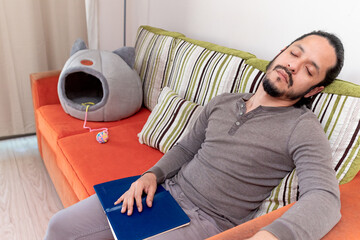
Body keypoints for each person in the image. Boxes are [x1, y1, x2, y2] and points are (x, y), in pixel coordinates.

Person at [44, 31, 344, 240]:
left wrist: (273, 234)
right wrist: (151, 175)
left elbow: (325, 198)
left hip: (207, 221)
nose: (293, 65)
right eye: (294, 53)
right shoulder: (224, 101)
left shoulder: (303, 127)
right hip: (162, 192)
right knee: (61, 227)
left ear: (314, 89)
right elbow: (186, 148)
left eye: (309, 70)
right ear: (282, 51)